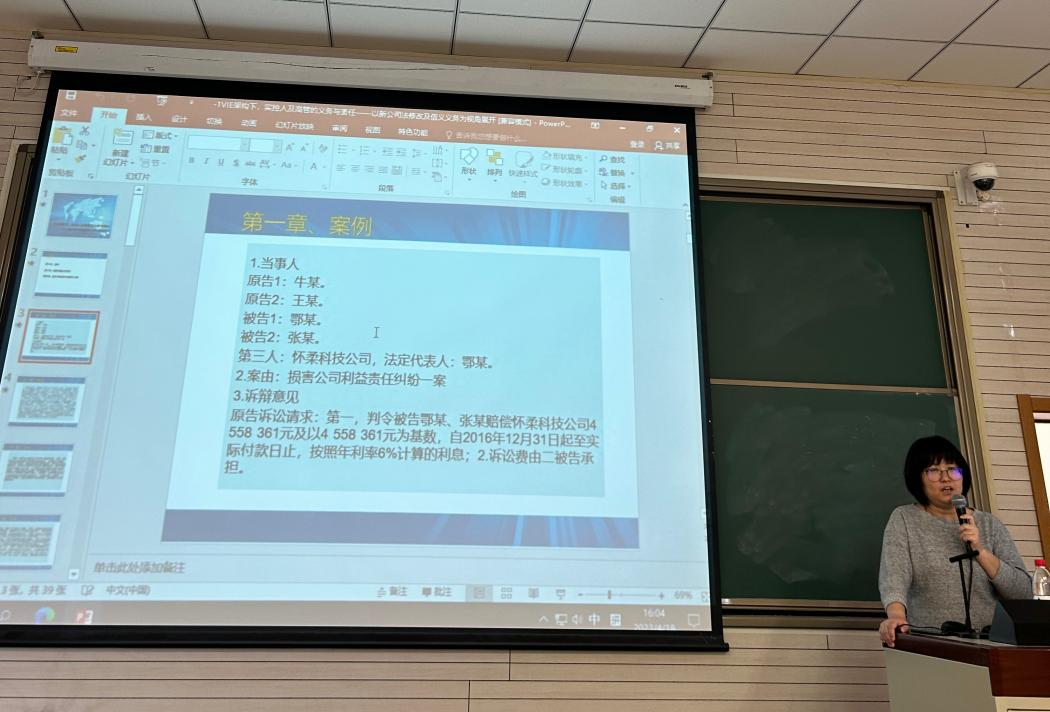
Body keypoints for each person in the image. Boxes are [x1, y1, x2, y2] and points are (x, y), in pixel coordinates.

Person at [878, 435, 1031, 647]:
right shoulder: (905, 519)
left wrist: (980, 550)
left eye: (953, 469)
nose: (946, 478)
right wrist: (896, 616)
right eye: (933, 471)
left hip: (994, 645)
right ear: (917, 478)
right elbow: (894, 577)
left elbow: (1023, 592)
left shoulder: (989, 524)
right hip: (931, 645)